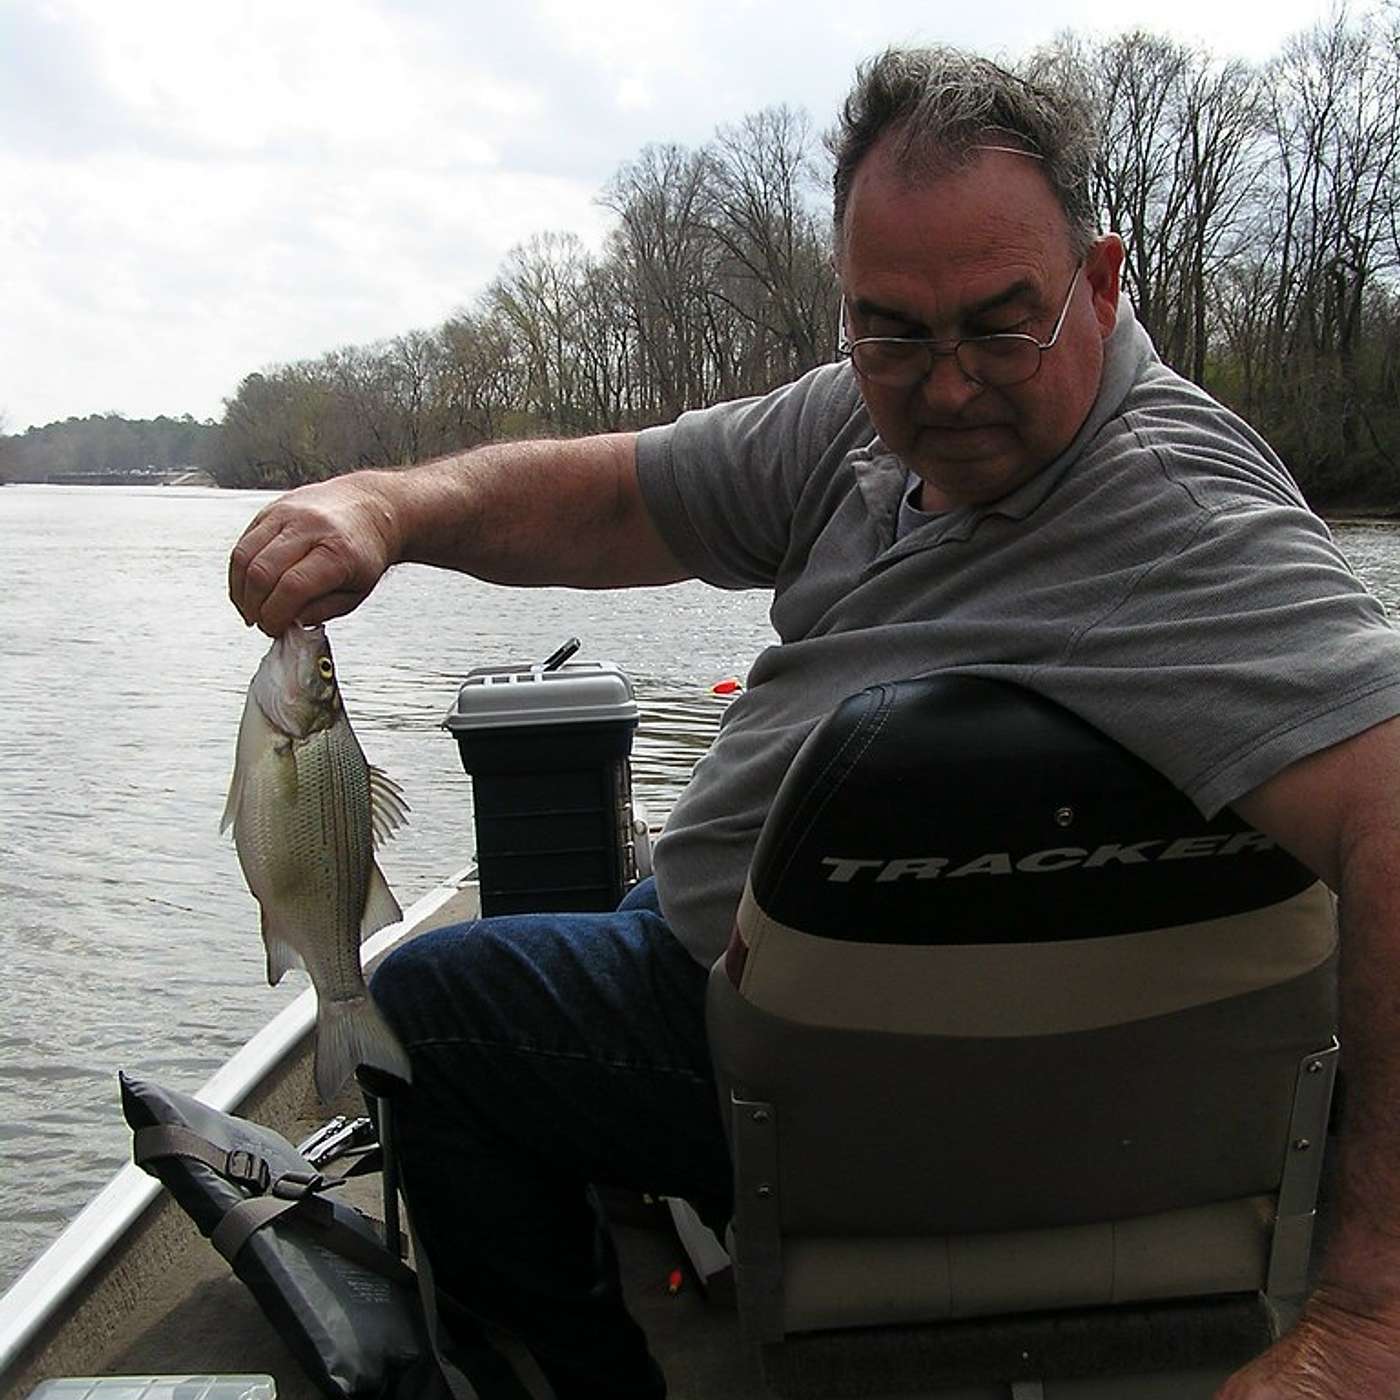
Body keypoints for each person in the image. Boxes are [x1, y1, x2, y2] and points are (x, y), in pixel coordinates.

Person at [229, 45, 1400, 1400]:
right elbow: (618, 498)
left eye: (999, 322)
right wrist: (389, 507)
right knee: (594, 911)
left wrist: (1371, 1319)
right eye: (892, 328)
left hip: (812, 1077)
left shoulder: (1178, 519)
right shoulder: (861, 420)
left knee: (430, 1011)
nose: (946, 383)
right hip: (759, 967)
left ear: (1102, 283)